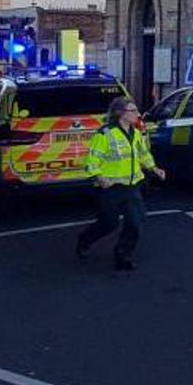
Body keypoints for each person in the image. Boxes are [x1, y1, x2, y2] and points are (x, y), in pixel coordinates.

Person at [76, 97, 165, 270]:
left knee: (135, 221)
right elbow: (92, 160)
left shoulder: (136, 133)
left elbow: (143, 154)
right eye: (133, 111)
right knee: (108, 223)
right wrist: (99, 177)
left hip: (133, 186)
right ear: (120, 113)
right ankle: (85, 240)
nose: (138, 114)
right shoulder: (105, 134)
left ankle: (123, 256)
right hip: (111, 188)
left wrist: (154, 168)